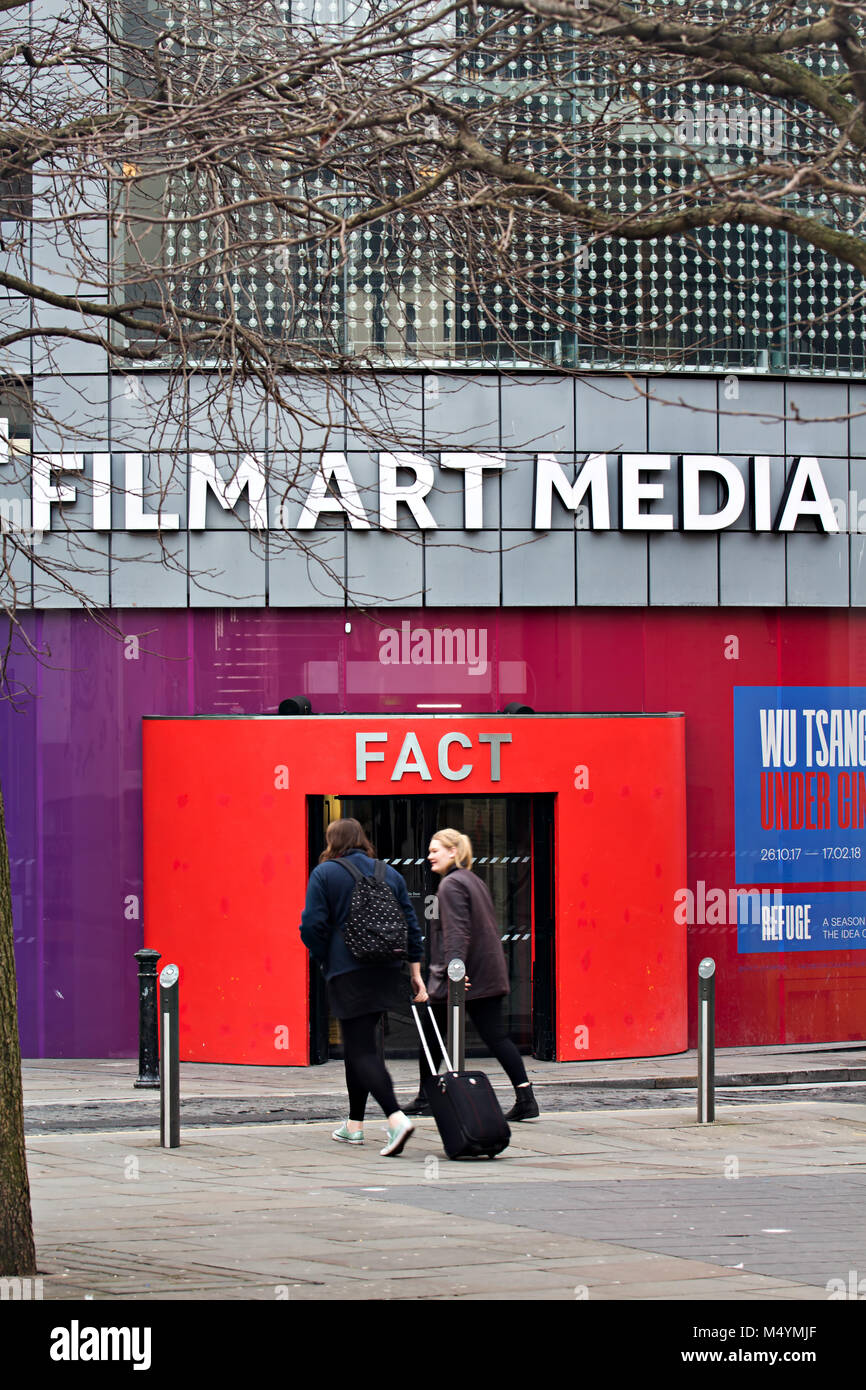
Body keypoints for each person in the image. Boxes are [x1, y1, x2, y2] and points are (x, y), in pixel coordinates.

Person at [300, 817, 427, 1156]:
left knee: (361, 1051)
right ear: (362, 840)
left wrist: (325, 956)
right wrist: (415, 971)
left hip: (348, 970)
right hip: (385, 969)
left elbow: (311, 925)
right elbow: (412, 926)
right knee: (361, 1045)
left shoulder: (325, 874)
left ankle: (395, 1118)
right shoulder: (390, 874)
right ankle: (354, 1126)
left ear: (333, 841)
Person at [406, 827, 540, 1122]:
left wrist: (455, 970)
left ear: (453, 851)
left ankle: (426, 1096)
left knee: (432, 1037)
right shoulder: (473, 880)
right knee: (490, 1036)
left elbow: (458, 932)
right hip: (486, 975)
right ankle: (525, 1095)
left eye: (434, 850)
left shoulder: (451, 885)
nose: (429, 856)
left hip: (465, 978)